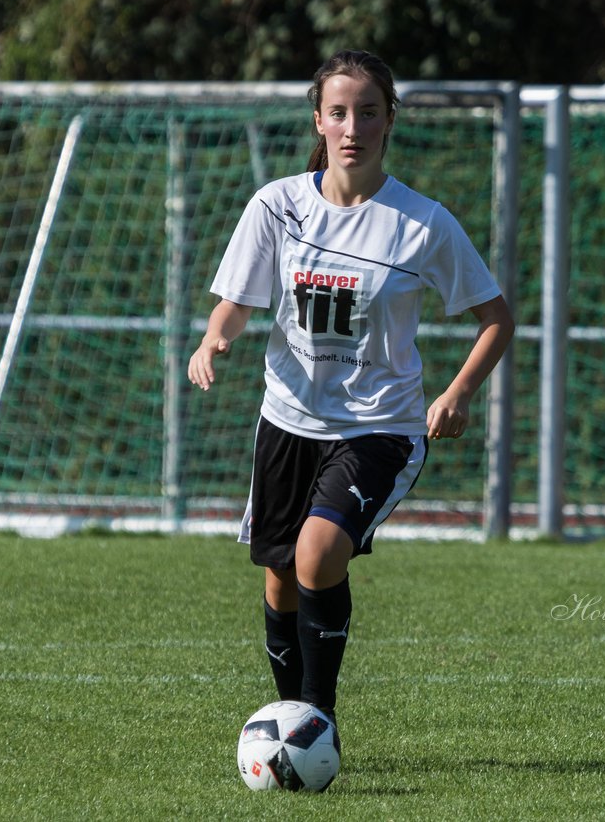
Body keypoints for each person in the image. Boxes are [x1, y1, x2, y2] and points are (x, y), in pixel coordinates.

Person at [187, 50, 514, 731]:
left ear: (390, 120)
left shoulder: (422, 223)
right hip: (287, 419)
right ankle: (289, 716)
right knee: (279, 578)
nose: (352, 126)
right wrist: (215, 336)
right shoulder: (277, 205)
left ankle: (317, 716)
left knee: (318, 552)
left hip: (380, 427)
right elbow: (235, 303)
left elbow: (496, 319)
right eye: (338, 112)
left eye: (368, 111)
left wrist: (456, 394)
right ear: (319, 120)